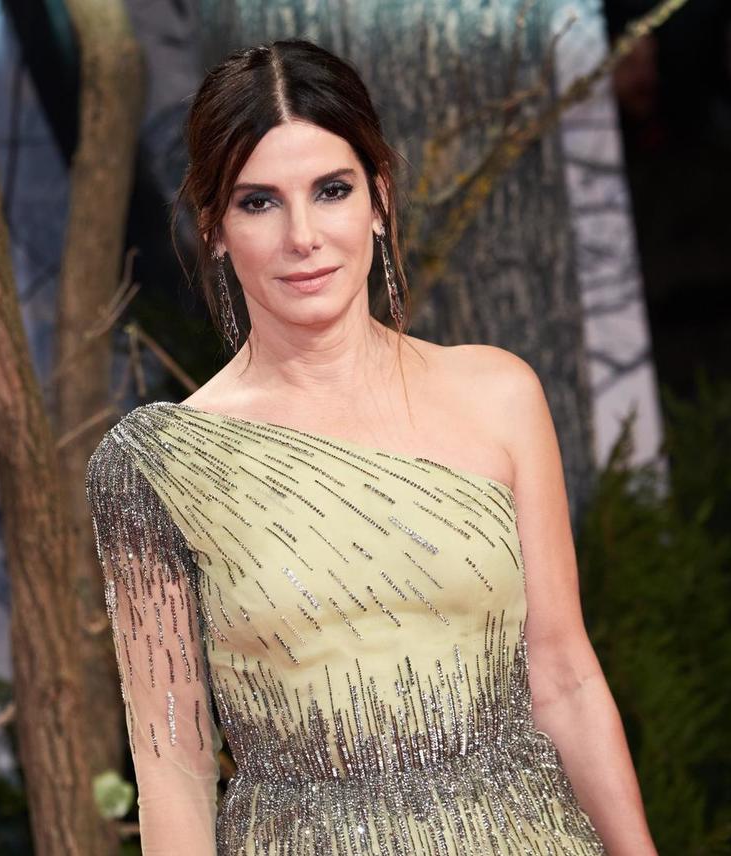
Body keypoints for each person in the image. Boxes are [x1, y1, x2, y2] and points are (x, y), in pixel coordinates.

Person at [84, 38, 655, 855]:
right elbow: (172, 765)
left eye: (332, 190)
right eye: (259, 202)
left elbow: (564, 678)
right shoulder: (160, 468)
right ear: (213, 229)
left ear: (379, 198)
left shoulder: (499, 395)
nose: (304, 236)